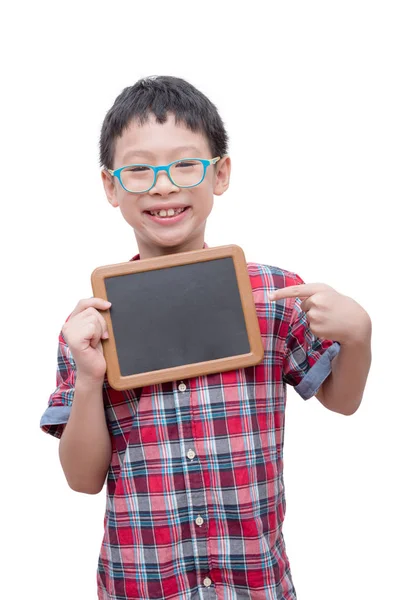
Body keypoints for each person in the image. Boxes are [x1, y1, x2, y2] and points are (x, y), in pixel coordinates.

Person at [40, 76, 372, 600]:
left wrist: (359, 337)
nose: (163, 185)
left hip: (256, 582)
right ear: (110, 186)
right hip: (144, 582)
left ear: (220, 173)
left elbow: (343, 400)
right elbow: (83, 479)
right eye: (139, 169)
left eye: (185, 164)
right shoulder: (90, 328)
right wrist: (87, 381)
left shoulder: (274, 294)